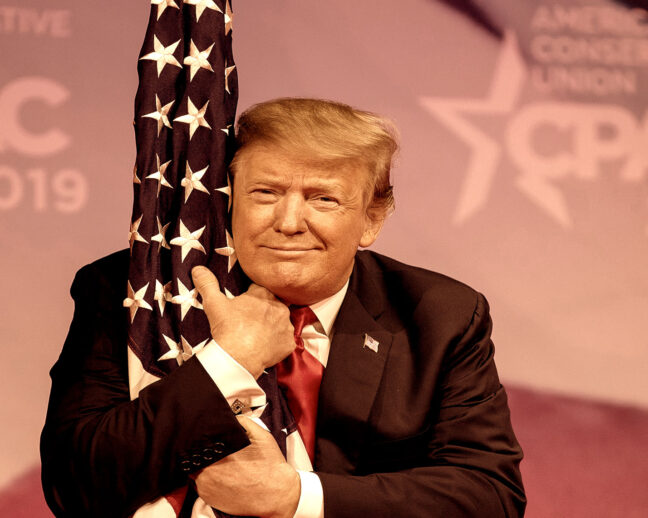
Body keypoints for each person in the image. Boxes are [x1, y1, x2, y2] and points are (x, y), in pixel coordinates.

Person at [41, 98, 526, 518]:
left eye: (323, 198)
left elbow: (490, 496)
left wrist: (295, 497)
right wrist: (227, 361)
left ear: (370, 220)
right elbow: (74, 484)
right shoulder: (136, 291)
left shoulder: (440, 316)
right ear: (225, 204)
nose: (290, 222)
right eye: (266, 193)